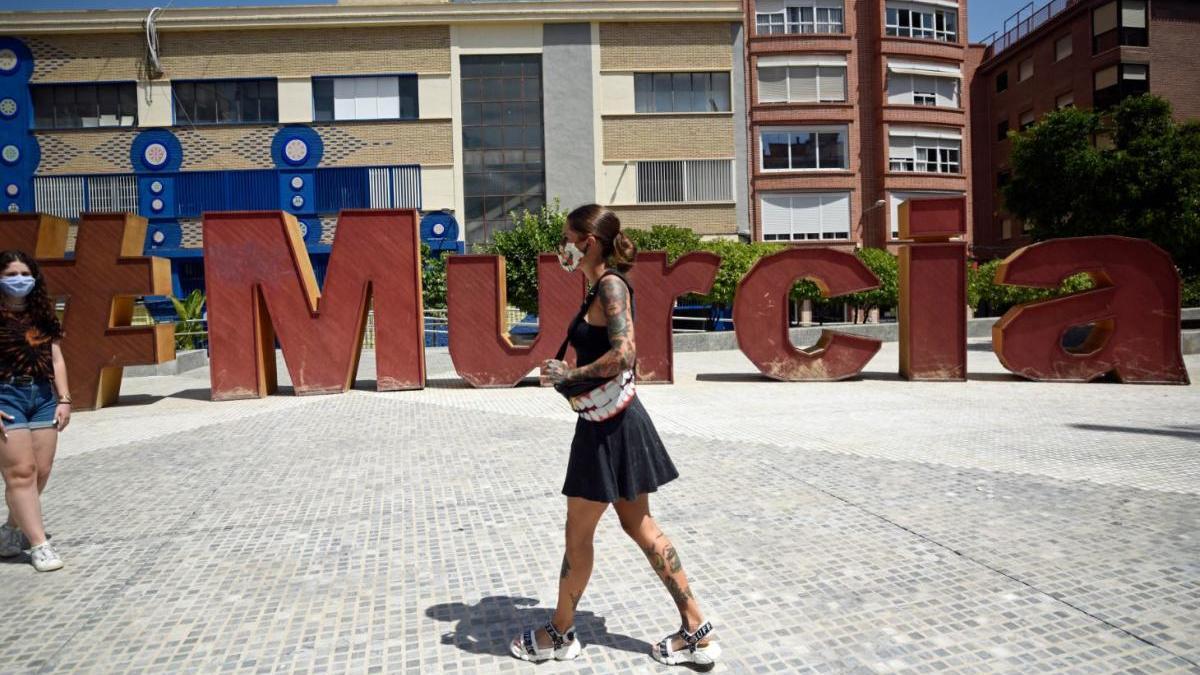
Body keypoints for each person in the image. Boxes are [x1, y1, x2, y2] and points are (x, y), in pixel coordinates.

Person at [509, 205, 720, 670]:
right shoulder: (602, 285)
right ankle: (697, 631)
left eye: (567, 236)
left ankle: (559, 633)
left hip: (608, 431)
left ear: (589, 241)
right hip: (615, 424)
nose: (561, 245)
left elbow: (626, 354)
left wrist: (571, 373)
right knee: (639, 525)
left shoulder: (608, 285)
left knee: (579, 532)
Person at [0, 250, 70, 572]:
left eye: (25, 274)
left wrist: (64, 399)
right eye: (11, 274)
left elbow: (56, 357)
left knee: (40, 470)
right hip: (6, 396)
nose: (19, 280)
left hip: (41, 395)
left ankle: (12, 530)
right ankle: (40, 545)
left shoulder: (43, 312)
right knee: (21, 472)